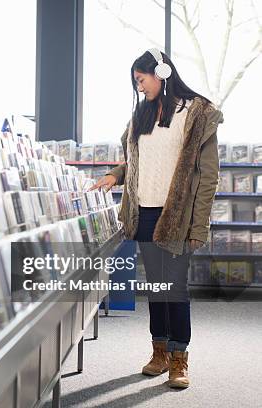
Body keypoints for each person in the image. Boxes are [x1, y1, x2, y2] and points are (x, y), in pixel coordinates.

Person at [90, 48, 222, 389]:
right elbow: (137, 161)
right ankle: (159, 351)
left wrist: (199, 224)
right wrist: (114, 176)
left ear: (161, 72)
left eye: (141, 79)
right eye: (136, 82)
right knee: (156, 287)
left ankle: (180, 359)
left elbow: (208, 176)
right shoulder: (142, 114)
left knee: (175, 288)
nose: (139, 87)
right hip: (144, 213)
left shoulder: (195, 114)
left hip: (177, 216)